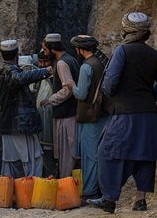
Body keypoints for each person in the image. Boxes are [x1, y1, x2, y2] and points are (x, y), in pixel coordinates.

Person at [87, 12, 157, 213]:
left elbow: (110, 82)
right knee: (144, 155)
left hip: (125, 114)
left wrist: (114, 95)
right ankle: (140, 200)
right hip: (149, 115)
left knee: (107, 153)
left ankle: (109, 199)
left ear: (126, 30)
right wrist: (149, 96)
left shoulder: (122, 51)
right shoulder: (156, 55)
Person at [0, 39, 52, 178]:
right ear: (16, 55)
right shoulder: (9, 70)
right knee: (30, 158)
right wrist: (45, 71)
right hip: (20, 123)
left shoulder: (2, 71)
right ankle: (30, 191)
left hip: (12, 122)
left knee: (13, 159)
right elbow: (19, 78)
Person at [66, 35, 110, 202]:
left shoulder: (86, 67)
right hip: (100, 115)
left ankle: (91, 191)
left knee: (90, 155)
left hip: (90, 116)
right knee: (98, 153)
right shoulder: (100, 63)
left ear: (80, 49)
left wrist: (71, 86)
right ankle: (99, 189)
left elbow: (81, 93)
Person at [40, 33, 79, 178]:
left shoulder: (62, 63)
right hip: (69, 112)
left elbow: (68, 88)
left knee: (67, 153)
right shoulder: (71, 59)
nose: (44, 53)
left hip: (66, 114)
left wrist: (50, 99)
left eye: (45, 50)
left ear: (52, 49)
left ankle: (65, 187)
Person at [35, 50, 58, 177]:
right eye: (40, 62)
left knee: (50, 157)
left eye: (46, 61)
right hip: (39, 126)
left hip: (50, 126)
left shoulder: (56, 79)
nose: (42, 65)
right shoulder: (37, 78)